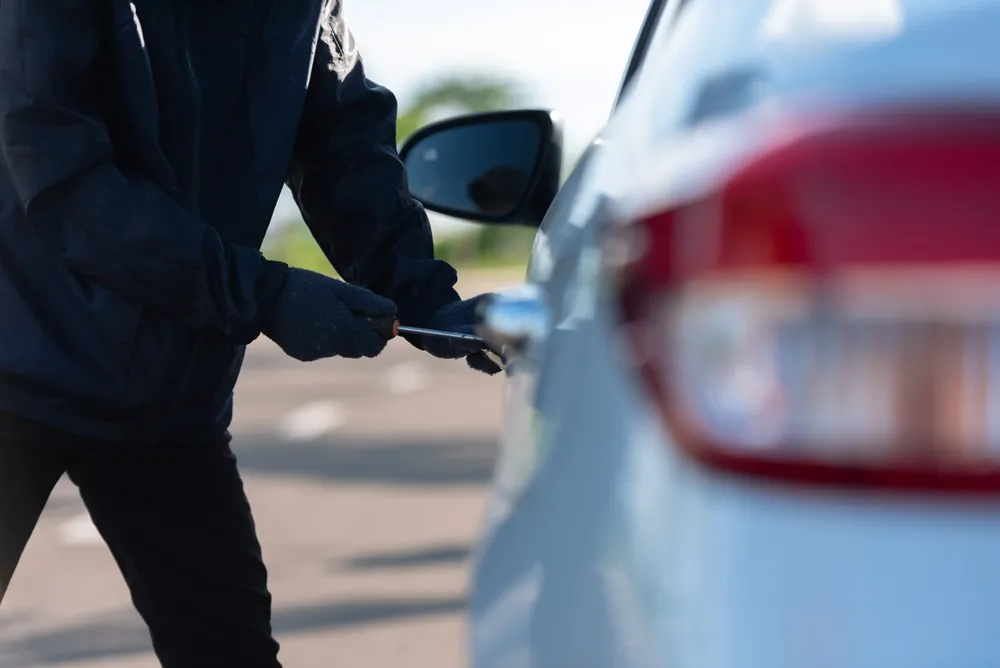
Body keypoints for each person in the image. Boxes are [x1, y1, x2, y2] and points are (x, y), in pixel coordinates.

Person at [0, 0, 501, 665]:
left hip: (171, 394)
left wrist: (424, 297)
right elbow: (65, 179)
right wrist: (264, 295)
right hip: (17, 370)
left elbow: (345, 150)